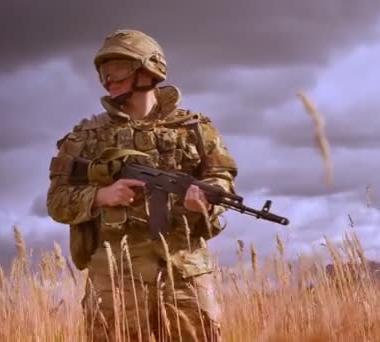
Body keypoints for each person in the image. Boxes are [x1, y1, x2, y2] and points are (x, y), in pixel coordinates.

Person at [46, 29, 238, 342]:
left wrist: (204, 197)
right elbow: (56, 201)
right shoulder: (84, 138)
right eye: (104, 72)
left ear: (149, 70)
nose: (109, 78)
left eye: (119, 68)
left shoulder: (195, 129)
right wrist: (100, 196)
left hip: (183, 276)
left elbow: (222, 179)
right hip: (115, 281)